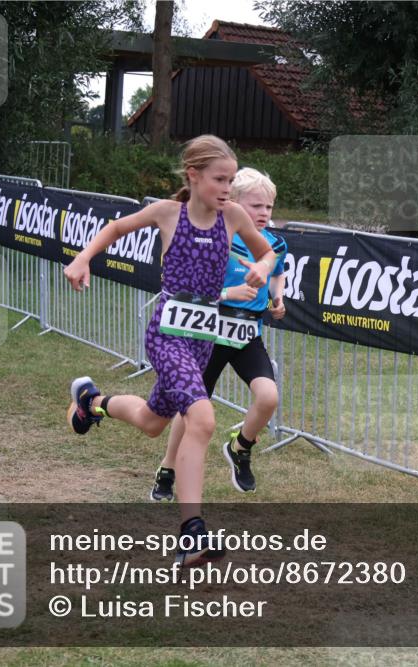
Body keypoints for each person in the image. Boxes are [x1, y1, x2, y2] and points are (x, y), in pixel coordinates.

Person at [62, 135, 276, 567]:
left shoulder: (232, 217)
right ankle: (191, 532)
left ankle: (91, 402)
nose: (226, 188)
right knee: (201, 417)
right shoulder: (168, 213)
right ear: (193, 176)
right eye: (219, 179)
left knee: (152, 422)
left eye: (231, 180)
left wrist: (261, 267)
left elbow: (268, 251)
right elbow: (115, 228)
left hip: (202, 341)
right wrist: (82, 259)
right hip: (166, 335)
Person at [150, 168, 287, 501]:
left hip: (245, 335)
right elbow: (192, 286)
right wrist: (229, 293)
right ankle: (167, 468)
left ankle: (240, 448)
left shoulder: (273, 243)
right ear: (236, 205)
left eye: (269, 207)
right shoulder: (218, 236)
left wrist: (278, 295)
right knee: (191, 408)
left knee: (269, 397)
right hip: (206, 334)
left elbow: (278, 270)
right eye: (256, 206)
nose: (264, 214)